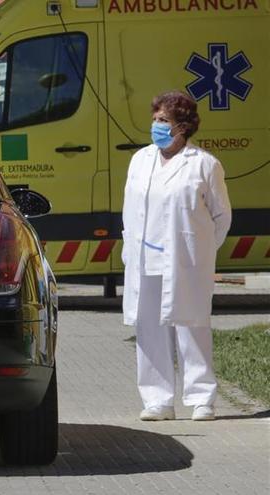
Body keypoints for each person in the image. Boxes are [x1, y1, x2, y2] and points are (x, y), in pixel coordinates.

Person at [121, 90, 231, 422]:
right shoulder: (140, 160)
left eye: (163, 121)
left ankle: (201, 398)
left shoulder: (204, 164)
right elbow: (130, 211)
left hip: (186, 261)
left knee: (192, 327)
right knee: (150, 330)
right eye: (154, 119)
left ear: (182, 126)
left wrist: (202, 251)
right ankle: (158, 400)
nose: (156, 126)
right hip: (145, 259)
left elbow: (221, 216)